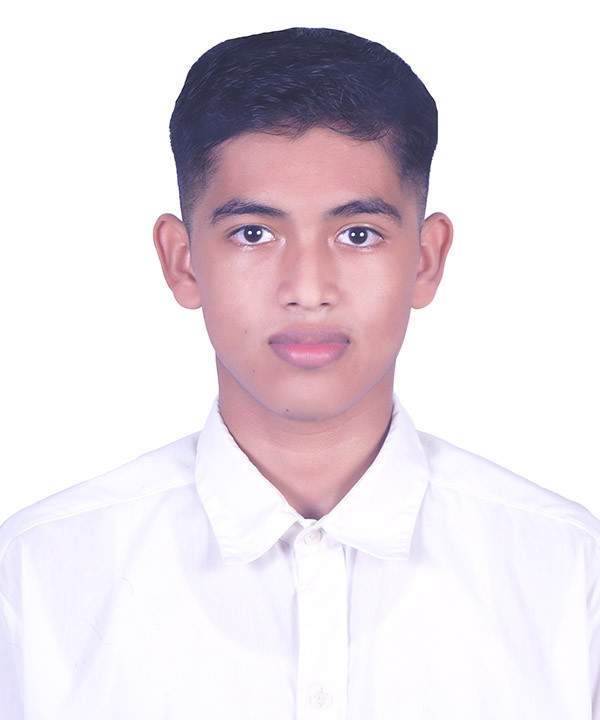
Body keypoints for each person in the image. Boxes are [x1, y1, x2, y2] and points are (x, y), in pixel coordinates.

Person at [1, 26, 598, 719]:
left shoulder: (568, 572)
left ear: (426, 259)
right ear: (182, 261)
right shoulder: (36, 576)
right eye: (253, 233)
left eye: (358, 234)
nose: (308, 289)